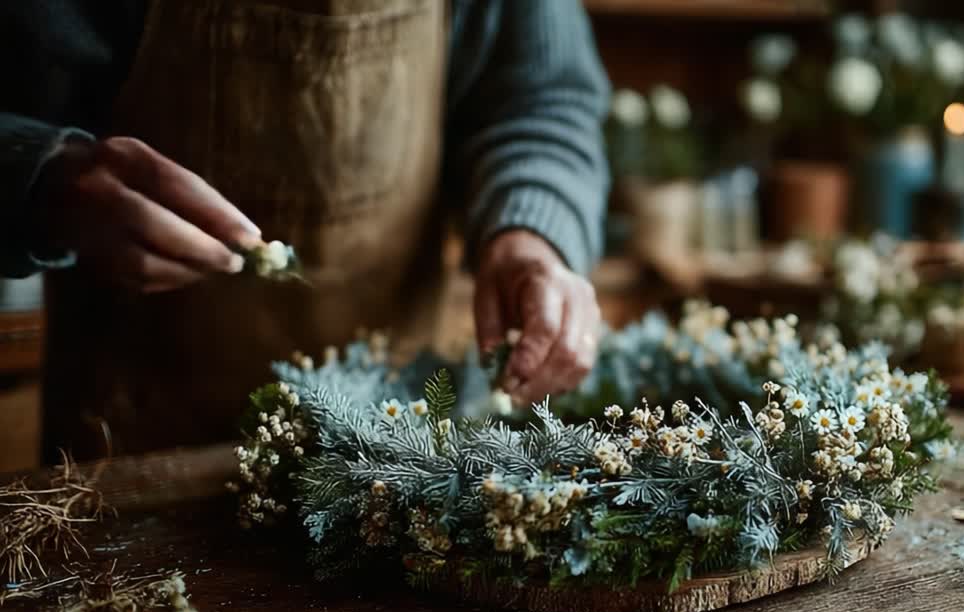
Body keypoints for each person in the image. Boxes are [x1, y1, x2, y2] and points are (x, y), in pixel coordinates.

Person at [0, 1, 611, 462]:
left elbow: (539, 96)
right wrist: (38, 176)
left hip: (392, 459)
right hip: (131, 446)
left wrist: (531, 236)